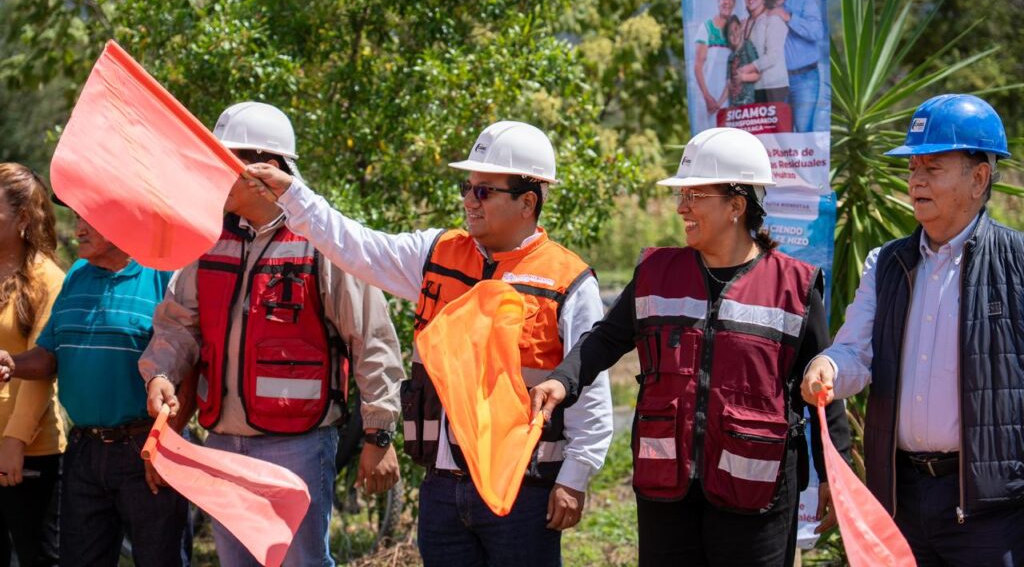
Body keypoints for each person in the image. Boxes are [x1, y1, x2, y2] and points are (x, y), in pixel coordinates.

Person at [243, 120, 615, 567]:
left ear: (528, 202)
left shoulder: (568, 280)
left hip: (523, 490)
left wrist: (574, 477)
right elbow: (354, 244)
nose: (468, 201)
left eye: (483, 191)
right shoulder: (436, 253)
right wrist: (291, 194)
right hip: (441, 487)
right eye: (466, 187)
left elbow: (590, 389)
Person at [534, 127, 851, 566]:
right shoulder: (656, 273)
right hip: (667, 489)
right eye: (682, 195)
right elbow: (605, 339)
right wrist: (562, 381)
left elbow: (821, 386)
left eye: (695, 195)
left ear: (737, 205)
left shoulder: (792, 287)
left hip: (755, 495)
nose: (682, 207)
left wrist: (837, 472)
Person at [142, 101, 405, 567]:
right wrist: (160, 373)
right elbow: (178, 323)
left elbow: (372, 339)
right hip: (223, 441)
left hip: (299, 444)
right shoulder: (209, 238)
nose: (210, 172)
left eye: (223, 160)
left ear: (265, 168)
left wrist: (379, 433)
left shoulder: (323, 239)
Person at [801, 94, 1024, 565]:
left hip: (991, 510)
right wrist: (828, 367)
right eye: (912, 168)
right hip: (900, 498)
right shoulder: (886, 264)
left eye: (933, 168)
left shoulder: (1017, 264)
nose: (916, 181)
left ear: (979, 178)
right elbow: (855, 353)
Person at [0, 208, 191, 567]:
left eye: (88, 219)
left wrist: (166, 443)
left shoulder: (164, 276)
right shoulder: (77, 275)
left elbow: (191, 363)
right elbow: (50, 355)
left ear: (125, 220)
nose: (77, 230)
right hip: (85, 452)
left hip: (146, 448)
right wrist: (13, 363)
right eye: (76, 218)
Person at [0, 164, 64, 567]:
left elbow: (43, 368)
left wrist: (15, 441)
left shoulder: (48, 279)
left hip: (28, 453)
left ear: (22, 218)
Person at [769, 0, 825, 132]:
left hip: (804, 79)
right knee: (780, 135)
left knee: (803, 132)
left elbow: (817, 32)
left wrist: (789, 17)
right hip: (775, 83)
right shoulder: (760, 0)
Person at [693, 0, 737, 132]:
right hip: (708, 97)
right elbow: (698, 66)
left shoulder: (736, 31)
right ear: (718, 0)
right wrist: (707, 97)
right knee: (710, 136)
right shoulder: (706, 28)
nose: (727, 2)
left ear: (734, 3)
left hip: (729, 98)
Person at [739, 0, 790, 104]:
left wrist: (745, 70)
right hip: (752, 89)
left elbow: (772, 56)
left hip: (774, 87)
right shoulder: (746, 23)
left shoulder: (773, 18)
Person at [725, 15, 760, 107]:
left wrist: (743, 77)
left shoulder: (747, 46)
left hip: (747, 103)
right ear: (728, 38)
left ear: (741, 28)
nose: (734, 35)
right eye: (730, 34)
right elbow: (728, 79)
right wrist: (729, 83)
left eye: (736, 29)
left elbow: (758, 74)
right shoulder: (730, 57)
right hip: (733, 104)